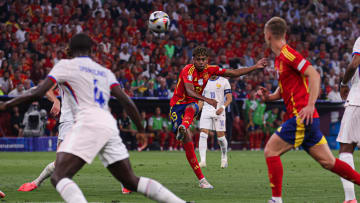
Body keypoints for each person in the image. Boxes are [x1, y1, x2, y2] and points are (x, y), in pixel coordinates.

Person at [0, 33, 188, 203]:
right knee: (131, 180)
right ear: (91, 50)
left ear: (71, 50)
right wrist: (141, 130)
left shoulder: (65, 65)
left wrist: (7, 105)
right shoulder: (103, 72)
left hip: (86, 123)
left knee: (59, 176)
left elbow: (37, 92)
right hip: (108, 125)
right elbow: (126, 101)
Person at [257, 17, 360, 203]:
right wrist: (270, 97)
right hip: (308, 119)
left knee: (270, 151)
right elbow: (285, 88)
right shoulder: (280, 58)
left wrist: (311, 104)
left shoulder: (288, 54)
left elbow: (313, 74)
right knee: (329, 162)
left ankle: (276, 200)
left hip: (302, 117)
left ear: (268, 34)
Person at [169, 46, 268, 189]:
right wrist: (207, 100)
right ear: (193, 60)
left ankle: (202, 179)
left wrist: (255, 66)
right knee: (189, 136)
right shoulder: (187, 70)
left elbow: (233, 73)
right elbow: (190, 91)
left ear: (207, 60)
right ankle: (183, 127)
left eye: (203, 60)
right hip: (177, 106)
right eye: (198, 59)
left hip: (193, 105)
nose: (201, 62)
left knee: (192, 115)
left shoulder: (211, 69)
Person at [337, 36, 360, 203]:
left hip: (358, 100)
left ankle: (350, 198)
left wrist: (344, 83)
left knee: (346, 148)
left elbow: (354, 63)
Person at [198, 75, 232, 168]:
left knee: (220, 137)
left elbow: (229, 98)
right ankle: (203, 161)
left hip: (219, 110)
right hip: (206, 109)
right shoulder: (202, 81)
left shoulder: (224, 81)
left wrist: (223, 107)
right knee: (203, 133)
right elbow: (201, 99)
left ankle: (224, 157)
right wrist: (197, 112)